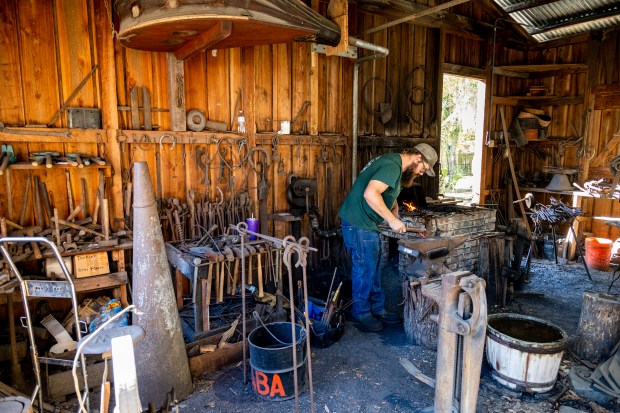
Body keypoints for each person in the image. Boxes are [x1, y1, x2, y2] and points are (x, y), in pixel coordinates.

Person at [339, 143, 438, 332]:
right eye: (423, 169)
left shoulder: (396, 165)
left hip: (367, 223)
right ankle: (361, 313)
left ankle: (377, 308)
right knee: (365, 267)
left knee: (375, 266)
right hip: (358, 223)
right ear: (417, 158)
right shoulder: (392, 166)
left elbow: (385, 192)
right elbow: (370, 193)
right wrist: (391, 220)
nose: (421, 173)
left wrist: (394, 208)